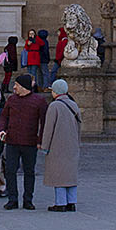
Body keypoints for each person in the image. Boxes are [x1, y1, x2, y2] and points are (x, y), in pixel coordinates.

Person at [0, 72, 50, 210]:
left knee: (29, 171)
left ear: (24, 87)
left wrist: (40, 140)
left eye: (17, 85)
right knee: (10, 170)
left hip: (30, 142)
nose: (14, 87)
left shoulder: (39, 101)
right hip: (12, 141)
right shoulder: (11, 100)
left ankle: (28, 199)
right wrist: (1, 130)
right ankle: (12, 199)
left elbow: (44, 122)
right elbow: (3, 117)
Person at [39, 78, 84, 212]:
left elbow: (48, 129)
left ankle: (60, 202)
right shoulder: (73, 105)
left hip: (57, 146)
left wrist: (44, 146)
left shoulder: (54, 106)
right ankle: (71, 202)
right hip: (72, 144)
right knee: (70, 174)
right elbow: (79, 127)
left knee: (58, 175)